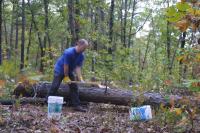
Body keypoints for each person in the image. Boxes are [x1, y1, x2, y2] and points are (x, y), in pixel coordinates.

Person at [47, 39, 89, 112]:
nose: (85, 49)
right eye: (84, 47)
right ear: (79, 45)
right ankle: (46, 102)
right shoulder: (69, 52)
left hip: (69, 71)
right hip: (60, 69)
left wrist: (80, 78)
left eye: (86, 48)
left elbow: (78, 68)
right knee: (55, 86)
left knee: (74, 87)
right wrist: (66, 77)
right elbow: (65, 66)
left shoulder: (81, 56)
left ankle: (76, 105)